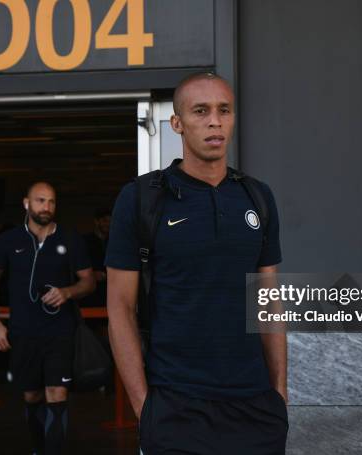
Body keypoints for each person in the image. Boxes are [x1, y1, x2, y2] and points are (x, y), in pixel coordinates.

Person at [105, 72, 288, 454]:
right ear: (177, 123)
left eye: (224, 110)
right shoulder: (141, 199)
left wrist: (279, 395)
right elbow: (120, 309)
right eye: (200, 111)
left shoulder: (257, 197)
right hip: (176, 406)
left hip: (255, 407)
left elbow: (268, 302)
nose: (214, 121)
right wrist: (144, 407)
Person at [0, 182, 95, 455]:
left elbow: (89, 281)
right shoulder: (8, 241)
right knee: (32, 395)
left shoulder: (70, 239)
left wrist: (68, 292)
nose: (47, 207)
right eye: (40, 200)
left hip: (60, 331)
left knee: (57, 393)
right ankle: (38, 449)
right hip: (22, 332)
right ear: (26, 203)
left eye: (52, 202)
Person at [82, 208, 111, 307]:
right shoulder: (84, 241)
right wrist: (91, 274)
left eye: (110, 221)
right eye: (104, 221)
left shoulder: (115, 243)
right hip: (90, 295)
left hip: (110, 294)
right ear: (96, 221)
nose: (108, 224)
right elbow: (74, 266)